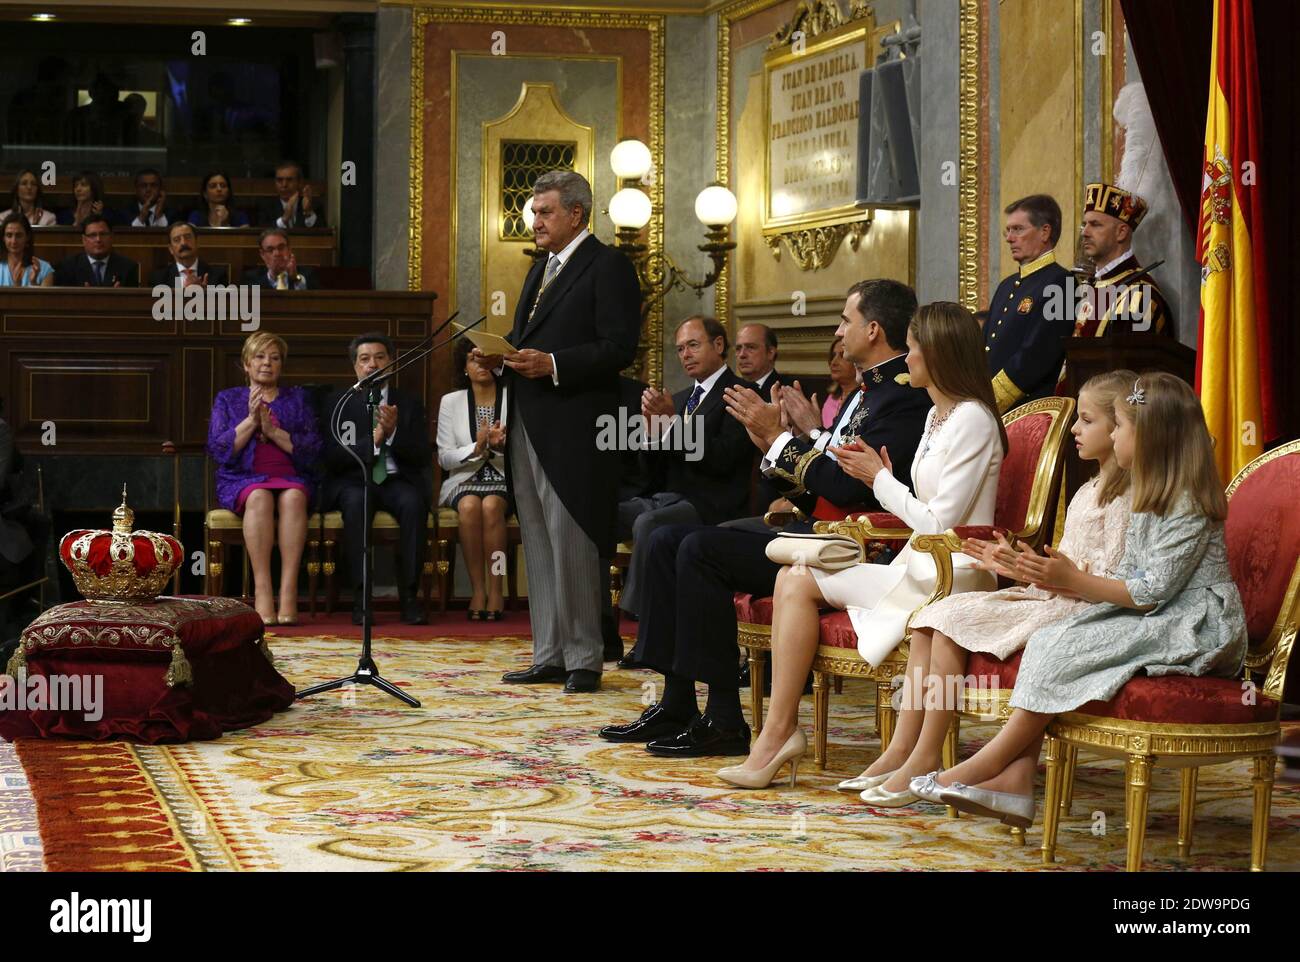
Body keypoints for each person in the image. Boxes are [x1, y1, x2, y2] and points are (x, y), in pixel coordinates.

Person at [597, 279, 931, 756]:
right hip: (820, 528)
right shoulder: (867, 391)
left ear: (873, 329)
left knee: (698, 548)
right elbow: (824, 479)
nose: (838, 331)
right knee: (669, 539)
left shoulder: (900, 397)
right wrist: (776, 442)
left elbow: (846, 490)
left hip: (858, 546)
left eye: (845, 321)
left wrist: (779, 439)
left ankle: (725, 719)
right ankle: (676, 702)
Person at [925, 373, 1245, 828]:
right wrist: (1054, 575)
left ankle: (981, 767)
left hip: (1196, 622)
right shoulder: (1151, 496)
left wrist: (1071, 578)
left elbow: (1151, 590)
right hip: (1158, 611)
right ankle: (1015, 782)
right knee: (1054, 638)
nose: (1113, 437)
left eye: (1118, 428)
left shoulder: (1185, 501)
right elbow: (1132, 582)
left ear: (1149, 435)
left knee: (1062, 644)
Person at [717, 301, 1005, 786]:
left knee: (798, 578)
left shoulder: (973, 418)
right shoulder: (938, 415)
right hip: (916, 569)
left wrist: (880, 482)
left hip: (954, 573)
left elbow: (940, 523)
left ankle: (904, 757)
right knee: (794, 577)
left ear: (938, 354)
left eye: (913, 349)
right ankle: (777, 734)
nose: (907, 358)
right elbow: (923, 503)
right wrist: (884, 477)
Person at [839, 370, 1136, 804]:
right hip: (1055, 595)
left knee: (948, 619)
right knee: (931, 617)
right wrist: (1013, 563)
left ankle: (923, 756)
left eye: (1087, 420)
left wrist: (1048, 574)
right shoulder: (1088, 490)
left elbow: (1104, 577)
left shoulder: (1130, 497)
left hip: (1083, 609)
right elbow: (1061, 566)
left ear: (1119, 427)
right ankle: (908, 751)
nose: (1075, 428)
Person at [472, 169, 640, 694]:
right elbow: (529, 342)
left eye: (545, 212)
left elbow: (619, 347)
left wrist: (554, 364)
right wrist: (501, 359)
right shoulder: (540, 267)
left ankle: (585, 658)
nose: (536, 222)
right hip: (528, 421)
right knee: (540, 543)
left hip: (576, 429)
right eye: (534, 212)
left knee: (573, 538)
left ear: (576, 214)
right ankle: (549, 652)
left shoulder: (609, 265)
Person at [617, 315, 754, 618]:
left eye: (693, 345)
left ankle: (642, 620)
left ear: (718, 345)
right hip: (666, 496)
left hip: (710, 502)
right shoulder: (678, 399)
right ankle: (594, 619)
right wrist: (653, 434)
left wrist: (673, 425)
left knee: (649, 523)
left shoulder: (741, 393)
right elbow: (653, 472)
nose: (686, 355)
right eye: (680, 349)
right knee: (597, 513)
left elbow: (723, 458)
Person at [206, 332, 322, 626]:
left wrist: (272, 432)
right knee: (259, 496)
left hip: (291, 475)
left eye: (274, 358)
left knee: (294, 496)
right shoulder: (228, 398)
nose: (267, 363)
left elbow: (311, 450)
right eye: (259, 357)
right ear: (246, 364)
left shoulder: (297, 398)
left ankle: (288, 590)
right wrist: (251, 421)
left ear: (281, 365)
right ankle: (262, 590)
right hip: (243, 478)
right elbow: (220, 450)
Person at [321, 333, 431, 626]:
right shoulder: (338, 403)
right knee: (356, 504)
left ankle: (409, 598)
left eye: (380, 357)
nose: (373, 365)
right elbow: (333, 457)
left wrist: (394, 433)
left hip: (396, 479)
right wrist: (375, 438)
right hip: (354, 481)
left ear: (392, 363)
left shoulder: (408, 403)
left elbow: (421, 455)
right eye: (365, 359)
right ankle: (362, 601)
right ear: (355, 367)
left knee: (413, 504)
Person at [437, 338, 510, 621]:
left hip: (504, 478)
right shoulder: (451, 402)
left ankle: (496, 587)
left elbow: (526, 451)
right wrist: (476, 448)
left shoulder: (512, 397)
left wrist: (502, 446)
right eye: (472, 359)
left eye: (486, 358)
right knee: (468, 506)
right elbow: (444, 458)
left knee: (492, 506)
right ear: (464, 367)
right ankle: (478, 590)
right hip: (463, 479)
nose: (479, 365)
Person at [986, 194, 1074, 414]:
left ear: (1045, 231)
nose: (1009, 238)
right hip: (990, 409)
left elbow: (1039, 354)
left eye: (1018, 229)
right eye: (1008, 230)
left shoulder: (1063, 282)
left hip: (1029, 410)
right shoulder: (1007, 285)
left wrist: (990, 400)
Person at [1073, 181, 1173, 339]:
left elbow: (1128, 362)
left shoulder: (1139, 295)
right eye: (1085, 224)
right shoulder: (1093, 285)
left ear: (1121, 233)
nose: (1085, 232)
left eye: (1095, 225)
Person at [53, 216, 139, 287]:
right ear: (84, 240)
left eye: (103, 234)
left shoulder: (128, 267)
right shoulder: (68, 267)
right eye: (92, 235)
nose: (98, 240)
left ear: (111, 237)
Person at [149, 222, 229, 288]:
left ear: (197, 242)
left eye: (188, 237)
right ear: (170, 249)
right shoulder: (159, 279)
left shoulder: (217, 275)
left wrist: (205, 295)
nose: (183, 243)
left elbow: (224, 305)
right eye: (177, 240)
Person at [242, 229, 320, 290]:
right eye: (270, 250)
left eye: (281, 247)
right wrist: (272, 276)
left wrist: (295, 279)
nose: (277, 253)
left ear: (289, 250)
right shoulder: (250, 278)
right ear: (262, 254)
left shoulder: (308, 274)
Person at [257, 161, 325, 229]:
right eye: (279, 180)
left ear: (299, 182)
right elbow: (262, 233)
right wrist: (284, 219)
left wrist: (308, 213)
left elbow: (324, 234)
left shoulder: (314, 205)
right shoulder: (266, 206)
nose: (284, 185)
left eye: (289, 180)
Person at [733, 323, 789, 400]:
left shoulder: (788, 392)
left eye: (751, 347)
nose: (742, 355)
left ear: (770, 353)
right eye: (738, 348)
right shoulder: (729, 391)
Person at [0, 213, 54, 287]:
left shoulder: (45, 269)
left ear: (27, 237)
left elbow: (44, 299)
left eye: (19, 235)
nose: (13, 241)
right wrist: (17, 287)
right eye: (9, 235)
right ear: (3, 238)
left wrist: (34, 283)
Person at [821, 335, 857, 428]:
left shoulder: (864, 398)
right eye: (833, 356)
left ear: (857, 361)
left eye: (842, 355)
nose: (833, 362)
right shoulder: (832, 398)